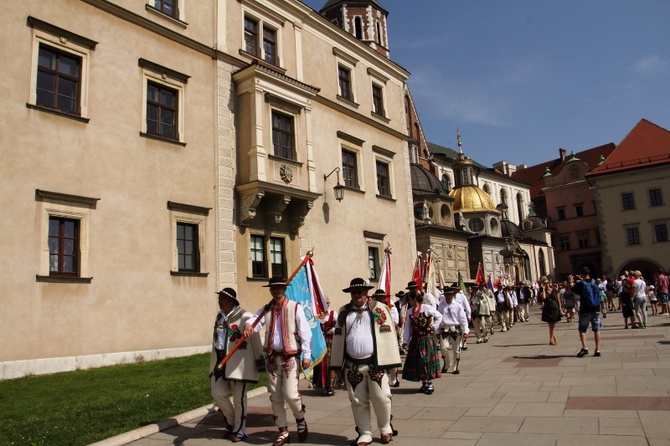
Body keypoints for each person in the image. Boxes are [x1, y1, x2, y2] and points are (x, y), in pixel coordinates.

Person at [331, 278, 401, 446]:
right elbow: (339, 337)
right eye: (354, 293)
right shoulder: (344, 312)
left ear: (366, 292)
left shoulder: (379, 309)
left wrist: (391, 363)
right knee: (357, 401)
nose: (357, 296)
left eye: (360, 292)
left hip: (375, 363)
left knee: (382, 397)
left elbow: (390, 336)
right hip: (352, 365)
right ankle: (365, 432)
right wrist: (336, 364)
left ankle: (385, 427)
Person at [244, 277, 312, 446]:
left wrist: (306, 355)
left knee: (291, 395)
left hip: (290, 357)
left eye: (279, 287)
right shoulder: (266, 309)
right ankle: (283, 430)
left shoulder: (295, 307)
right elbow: (255, 321)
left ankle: (300, 419)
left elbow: (305, 332)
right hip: (272, 358)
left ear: (284, 288)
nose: (276, 290)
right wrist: (248, 324)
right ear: (270, 290)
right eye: (273, 288)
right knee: (275, 396)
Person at [210, 288, 264, 442]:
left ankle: (240, 430)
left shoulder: (245, 316)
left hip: (238, 363)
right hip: (220, 361)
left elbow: (254, 338)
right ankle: (231, 421)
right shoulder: (219, 316)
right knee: (217, 393)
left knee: (239, 398)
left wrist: (259, 359)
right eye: (219, 297)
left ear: (231, 300)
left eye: (222, 298)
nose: (219, 300)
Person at [402, 289, 442, 394]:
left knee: (426, 360)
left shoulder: (426, 308)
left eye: (410, 300)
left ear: (415, 299)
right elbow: (408, 327)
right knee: (419, 361)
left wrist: (433, 327)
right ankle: (424, 383)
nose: (409, 302)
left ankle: (429, 383)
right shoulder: (410, 311)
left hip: (427, 338)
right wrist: (405, 340)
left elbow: (439, 316)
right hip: (416, 339)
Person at [570, 267, 602, 357]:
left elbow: (571, 291)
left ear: (581, 274)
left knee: (582, 330)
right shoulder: (594, 281)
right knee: (597, 329)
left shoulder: (581, 284)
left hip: (585, 310)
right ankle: (598, 349)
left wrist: (570, 282)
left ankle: (585, 348)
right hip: (596, 308)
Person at [438, 287, 469, 374]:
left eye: (450, 295)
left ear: (453, 295)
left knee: (456, 349)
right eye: (447, 294)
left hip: (456, 329)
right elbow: (438, 318)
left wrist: (465, 330)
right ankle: (447, 363)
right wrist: (437, 330)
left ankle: (455, 366)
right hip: (445, 329)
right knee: (443, 348)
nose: (448, 296)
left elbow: (463, 319)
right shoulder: (441, 306)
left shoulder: (458, 306)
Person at [312, 297, 339, 396]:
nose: (325, 305)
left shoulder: (333, 313)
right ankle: (321, 383)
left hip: (329, 342)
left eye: (327, 303)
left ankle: (330, 386)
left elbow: (340, 324)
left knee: (329, 363)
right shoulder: (316, 316)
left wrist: (333, 329)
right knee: (320, 363)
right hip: (319, 342)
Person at [539, 277, 562, 345]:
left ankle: (552, 339)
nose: (547, 284)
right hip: (548, 309)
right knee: (550, 325)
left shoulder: (555, 290)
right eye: (545, 283)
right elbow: (544, 297)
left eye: (547, 283)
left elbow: (558, 300)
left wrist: (560, 309)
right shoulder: (542, 291)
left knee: (553, 325)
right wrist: (543, 289)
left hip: (555, 309)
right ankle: (552, 339)